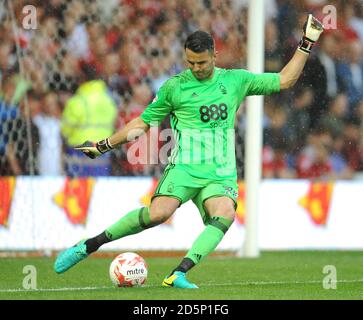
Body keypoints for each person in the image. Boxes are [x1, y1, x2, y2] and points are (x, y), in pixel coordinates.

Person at [54, 15, 324, 288]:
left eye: (202, 62)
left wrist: (306, 42)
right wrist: (104, 145)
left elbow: (285, 79)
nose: (196, 68)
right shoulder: (174, 87)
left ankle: (178, 274)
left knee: (226, 213)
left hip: (220, 171)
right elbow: (142, 123)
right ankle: (89, 245)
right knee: (158, 213)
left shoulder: (235, 80)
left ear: (215, 56)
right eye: (190, 62)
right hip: (185, 167)